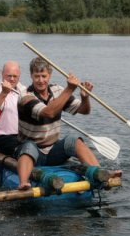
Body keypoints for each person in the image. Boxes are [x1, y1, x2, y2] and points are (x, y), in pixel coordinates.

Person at [15, 57, 100, 190]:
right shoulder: (25, 96)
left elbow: (84, 110)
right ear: (31, 75)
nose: (41, 80)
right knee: (29, 146)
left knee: (74, 140)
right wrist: (69, 89)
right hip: (32, 151)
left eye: (44, 76)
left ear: (49, 75)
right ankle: (24, 183)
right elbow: (48, 112)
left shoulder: (58, 91)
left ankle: (98, 173)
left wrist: (85, 97)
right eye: (37, 76)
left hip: (52, 151)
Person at [0, 60, 26, 155]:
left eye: (15, 76)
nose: (12, 79)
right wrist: (4, 93)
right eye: (9, 76)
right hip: (2, 137)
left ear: (19, 77)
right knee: (20, 149)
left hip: (21, 136)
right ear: (2, 75)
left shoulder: (22, 90)